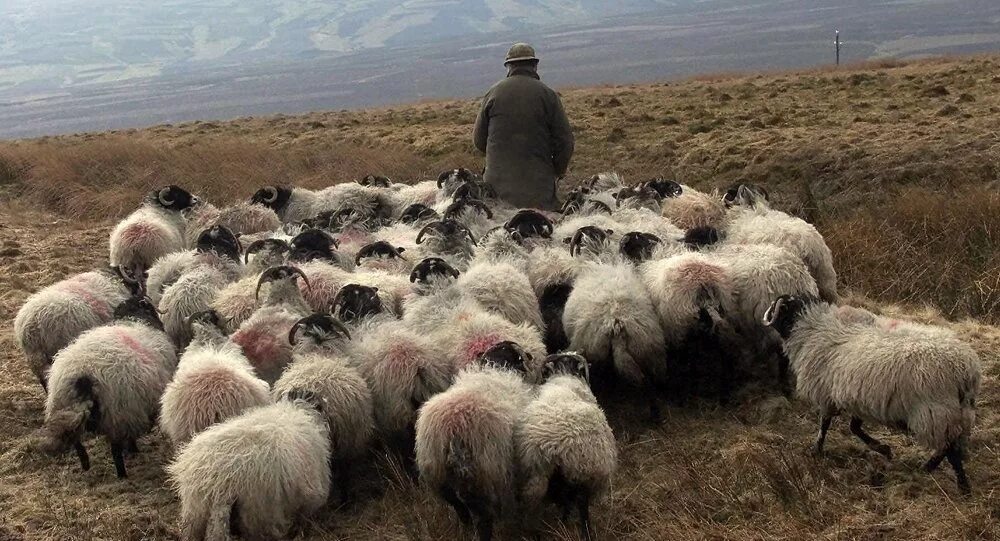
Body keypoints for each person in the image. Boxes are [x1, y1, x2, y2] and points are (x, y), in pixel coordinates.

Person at [473, 43, 575, 211]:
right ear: (534, 65)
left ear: (509, 66)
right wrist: (556, 171)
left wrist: (500, 159)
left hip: (496, 192)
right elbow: (565, 143)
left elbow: (478, 141)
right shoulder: (548, 95)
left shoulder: (493, 93)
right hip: (540, 192)